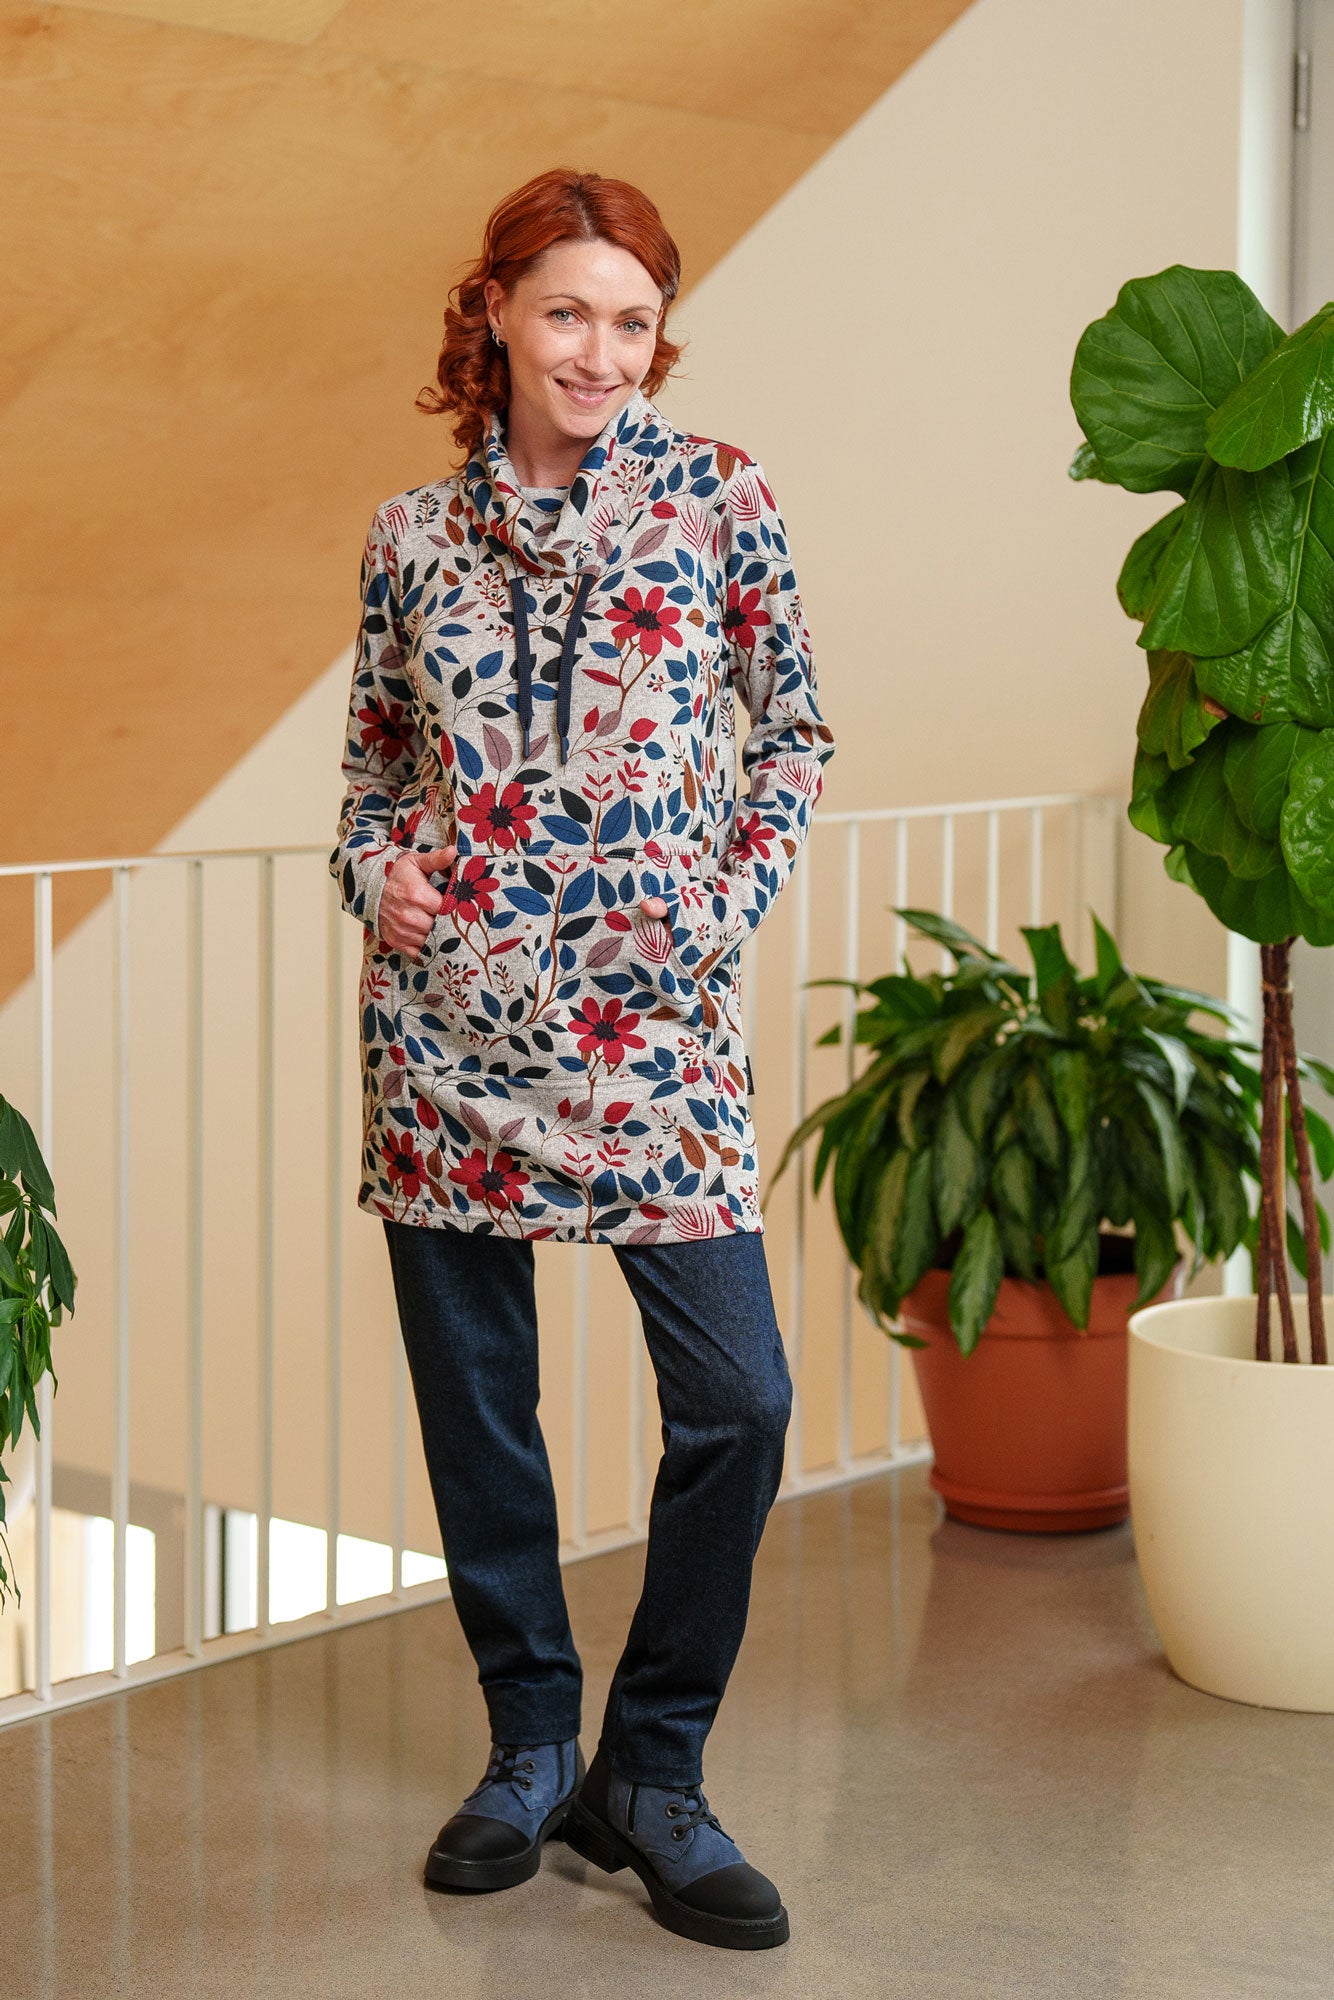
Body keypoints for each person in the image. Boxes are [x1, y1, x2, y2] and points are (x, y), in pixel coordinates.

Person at [328, 167, 834, 1953]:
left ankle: (655, 1769)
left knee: (740, 1402)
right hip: (445, 1037)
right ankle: (532, 1744)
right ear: (494, 311)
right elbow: (372, 769)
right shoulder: (408, 534)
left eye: (632, 320)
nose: (600, 353)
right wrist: (372, 871)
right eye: (566, 312)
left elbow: (793, 729)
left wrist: (719, 901)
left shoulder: (717, 499)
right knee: (482, 1413)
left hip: (653, 1036)